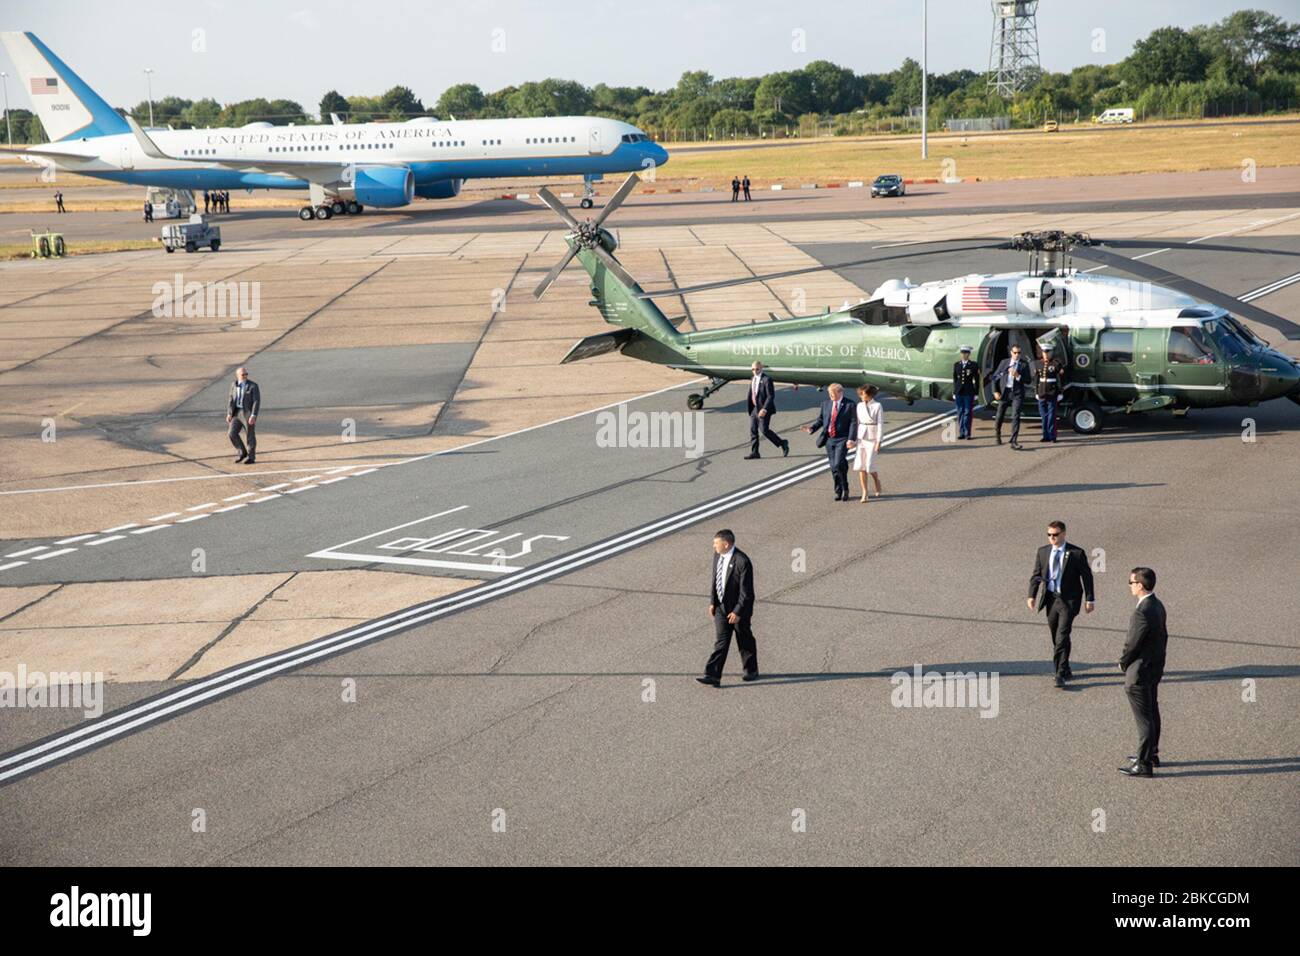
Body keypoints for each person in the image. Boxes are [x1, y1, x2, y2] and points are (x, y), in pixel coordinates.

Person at [1027, 520, 1095, 687]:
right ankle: (1066, 667)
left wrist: (1089, 599)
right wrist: (1032, 595)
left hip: (1068, 601)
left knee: (1062, 635)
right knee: (1055, 635)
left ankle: (1060, 673)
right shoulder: (1043, 552)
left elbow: (1087, 577)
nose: (1052, 538)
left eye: (1055, 535)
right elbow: (1036, 575)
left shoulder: (1076, 553)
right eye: (1049, 535)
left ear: (1064, 534)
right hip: (1051, 599)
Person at [1119, 567, 1167, 777]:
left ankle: (1144, 763)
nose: (1129, 586)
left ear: (1140, 585)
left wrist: (1123, 662)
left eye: (1131, 582)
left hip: (1139, 671)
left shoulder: (1141, 611)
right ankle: (1151, 753)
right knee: (1152, 711)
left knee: (1144, 718)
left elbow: (1132, 643)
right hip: (1154, 667)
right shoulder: (1157, 604)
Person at [697, 529, 758, 686]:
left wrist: (738, 612)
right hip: (721, 607)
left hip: (739, 609)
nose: (713, 546)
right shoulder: (718, 555)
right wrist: (713, 601)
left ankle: (751, 670)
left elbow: (747, 592)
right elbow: (714, 579)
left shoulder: (742, 561)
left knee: (743, 637)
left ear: (726, 544)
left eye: (716, 543)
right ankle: (713, 675)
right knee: (721, 641)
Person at [803, 383, 858, 501]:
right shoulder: (825, 404)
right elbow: (821, 419)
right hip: (829, 439)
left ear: (840, 393)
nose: (830, 396)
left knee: (838, 463)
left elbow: (854, 423)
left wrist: (851, 439)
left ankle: (845, 488)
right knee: (834, 467)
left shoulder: (850, 404)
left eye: (832, 394)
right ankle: (839, 491)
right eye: (829, 394)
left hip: (842, 439)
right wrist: (812, 428)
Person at [745, 361, 789, 460]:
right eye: (753, 369)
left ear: (761, 369)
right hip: (754, 409)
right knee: (753, 431)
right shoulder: (753, 379)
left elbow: (770, 396)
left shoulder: (766, 379)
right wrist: (752, 407)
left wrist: (764, 409)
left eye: (757, 369)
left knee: (764, 430)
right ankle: (755, 452)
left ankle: (782, 443)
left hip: (764, 409)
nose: (755, 371)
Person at [990, 344, 1030, 448]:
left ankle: (1014, 441)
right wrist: (995, 391)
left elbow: (1028, 380)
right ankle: (997, 435)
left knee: (1016, 416)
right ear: (1011, 352)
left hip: (1017, 393)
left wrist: (1018, 376)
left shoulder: (1024, 364)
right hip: (1005, 392)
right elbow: (995, 377)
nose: (1017, 355)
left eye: (1019, 353)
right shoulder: (1004, 363)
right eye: (1015, 352)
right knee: (1000, 415)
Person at [852, 384, 884, 501]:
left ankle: (876, 480)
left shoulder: (877, 406)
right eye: (860, 394)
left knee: (869, 466)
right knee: (861, 466)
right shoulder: (859, 405)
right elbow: (857, 422)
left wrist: (879, 441)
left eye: (863, 394)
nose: (861, 396)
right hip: (861, 437)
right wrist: (853, 439)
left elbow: (880, 423)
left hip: (872, 437)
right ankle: (864, 491)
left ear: (870, 395)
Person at [226, 366, 261, 464]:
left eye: (246, 374)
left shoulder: (253, 386)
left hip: (247, 413)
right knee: (231, 433)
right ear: (237, 376)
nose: (245, 376)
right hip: (236, 412)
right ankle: (242, 452)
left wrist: (253, 415)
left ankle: (251, 457)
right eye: (243, 375)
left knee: (250, 435)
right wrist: (229, 413)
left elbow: (256, 401)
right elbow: (231, 399)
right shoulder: (233, 385)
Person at [1034, 345, 1067, 442]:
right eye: (1044, 352)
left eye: (1047, 352)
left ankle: (1052, 436)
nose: (1046, 354)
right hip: (1041, 393)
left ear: (1050, 353)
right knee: (1044, 416)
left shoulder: (1056, 364)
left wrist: (1060, 392)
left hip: (1052, 392)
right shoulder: (1038, 364)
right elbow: (1036, 379)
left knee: (1051, 416)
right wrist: (1036, 391)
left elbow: (1060, 379)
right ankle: (1045, 436)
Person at [952, 345, 979, 440]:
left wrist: (976, 393)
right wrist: (954, 392)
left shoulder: (973, 365)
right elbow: (955, 379)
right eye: (963, 353)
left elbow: (977, 379)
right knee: (960, 412)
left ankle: (968, 433)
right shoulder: (957, 365)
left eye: (966, 353)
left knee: (968, 412)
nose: (964, 355)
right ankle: (961, 432)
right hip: (959, 391)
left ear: (969, 354)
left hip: (969, 391)